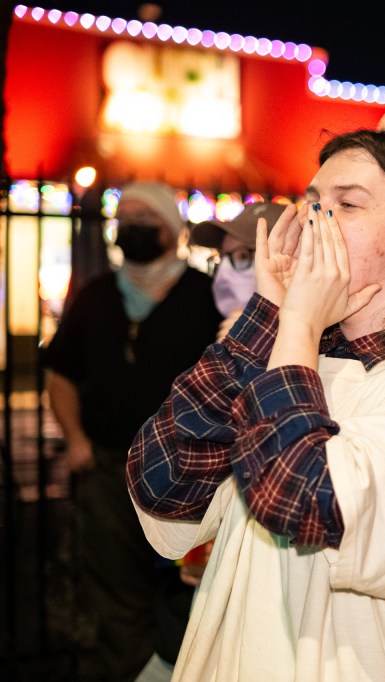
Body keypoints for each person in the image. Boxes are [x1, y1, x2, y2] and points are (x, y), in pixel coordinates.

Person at [126, 129, 385, 681]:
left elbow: (302, 497)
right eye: (312, 201)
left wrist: (298, 322)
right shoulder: (293, 356)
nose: (315, 219)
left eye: (347, 203)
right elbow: (163, 481)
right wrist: (268, 310)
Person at [44, 181, 223, 681]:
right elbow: (61, 376)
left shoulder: (205, 298)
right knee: (116, 594)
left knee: (185, 593)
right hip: (107, 472)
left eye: (149, 219)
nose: (136, 228)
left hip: (189, 479)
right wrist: (77, 440)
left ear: (172, 230)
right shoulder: (96, 295)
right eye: (129, 218)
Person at [191, 201, 287, 341]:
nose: (225, 270)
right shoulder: (206, 322)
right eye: (221, 257)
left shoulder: (322, 339)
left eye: (242, 255)